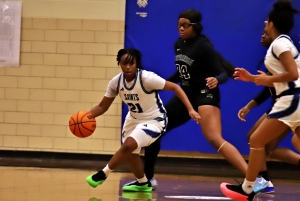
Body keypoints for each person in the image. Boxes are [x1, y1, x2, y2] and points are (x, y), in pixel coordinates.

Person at [123, 9, 269, 192]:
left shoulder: (203, 46)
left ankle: (253, 179)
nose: (181, 28)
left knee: (214, 138)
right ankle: (147, 179)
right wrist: (160, 84)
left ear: (195, 27)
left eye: (185, 25)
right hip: (186, 95)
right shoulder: (178, 45)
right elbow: (181, 72)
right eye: (178, 25)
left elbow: (222, 72)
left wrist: (217, 80)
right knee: (155, 130)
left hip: (205, 94)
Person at [85, 48, 201, 192]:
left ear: (136, 64)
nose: (128, 67)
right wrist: (86, 117)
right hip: (133, 119)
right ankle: (142, 183)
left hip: (154, 120)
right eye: (124, 64)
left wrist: (190, 109)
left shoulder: (147, 78)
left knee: (128, 146)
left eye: (131, 63)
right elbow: (103, 106)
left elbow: (176, 88)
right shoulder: (116, 82)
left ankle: (102, 174)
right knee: (131, 154)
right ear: (119, 64)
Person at [221, 0, 300, 200]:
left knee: (256, 140)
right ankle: (252, 185)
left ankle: (248, 187)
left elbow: (292, 74)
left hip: (291, 99)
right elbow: (282, 77)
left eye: (267, 22)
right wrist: (253, 78)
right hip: (293, 99)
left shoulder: (280, 43)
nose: (265, 24)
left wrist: (265, 79)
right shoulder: (283, 43)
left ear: (271, 23)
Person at [237, 29, 300, 194]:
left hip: (289, 104)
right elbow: (270, 86)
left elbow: (291, 77)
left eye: (267, 31)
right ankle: (260, 180)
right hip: (283, 103)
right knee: (258, 141)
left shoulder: (282, 49)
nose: (263, 34)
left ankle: (256, 183)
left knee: (257, 141)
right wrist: (252, 83)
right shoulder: (275, 57)